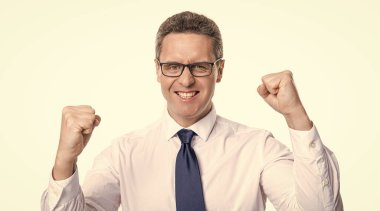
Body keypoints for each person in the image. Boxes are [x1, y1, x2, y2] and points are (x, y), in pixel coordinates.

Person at [41, 11, 343, 211]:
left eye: (199, 66)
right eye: (173, 66)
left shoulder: (258, 147)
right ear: (158, 71)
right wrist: (65, 161)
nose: (185, 80)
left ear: (219, 71)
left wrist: (296, 118)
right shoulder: (123, 153)